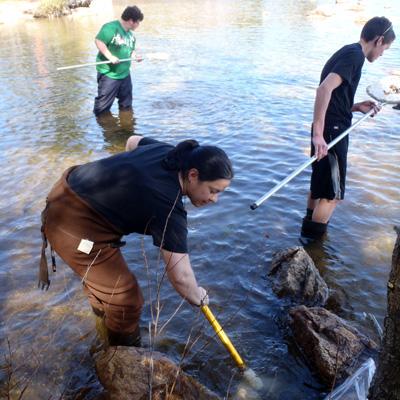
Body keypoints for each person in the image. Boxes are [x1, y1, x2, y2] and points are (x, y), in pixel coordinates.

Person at [39, 136, 234, 346]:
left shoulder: (173, 154)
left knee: (106, 287)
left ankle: (104, 331)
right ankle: (122, 355)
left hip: (67, 187)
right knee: (126, 299)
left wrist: (122, 192)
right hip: (71, 225)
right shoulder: (167, 206)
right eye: (213, 191)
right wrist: (198, 295)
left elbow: (132, 141)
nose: (214, 199)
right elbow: (181, 278)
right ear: (193, 175)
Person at [301, 16, 396, 240]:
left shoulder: (347, 50)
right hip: (331, 131)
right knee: (332, 195)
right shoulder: (355, 56)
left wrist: (354, 107)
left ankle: (304, 242)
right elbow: (323, 90)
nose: (383, 54)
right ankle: (313, 251)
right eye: (386, 48)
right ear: (379, 40)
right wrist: (318, 135)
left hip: (328, 127)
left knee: (319, 187)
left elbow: (334, 96)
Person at [93, 6, 144, 117]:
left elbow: (130, 50)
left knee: (126, 106)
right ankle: (105, 128)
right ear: (131, 21)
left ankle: (126, 128)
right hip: (109, 75)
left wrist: (135, 56)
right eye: (138, 22)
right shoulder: (110, 28)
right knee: (102, 109)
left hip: (125, 75)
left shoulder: (130, 35)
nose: (138, 25)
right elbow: (98, 41)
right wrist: (110, 56)